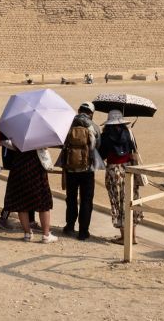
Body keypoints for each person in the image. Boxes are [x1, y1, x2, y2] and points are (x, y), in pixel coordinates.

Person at [99, 109, 143, 244]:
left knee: (118, 202)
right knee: (131, 199)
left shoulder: (105, 136)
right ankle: (133, 237)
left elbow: (102, 155)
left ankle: (124, 237)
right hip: (129, 169)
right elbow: (134, 149)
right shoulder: (128, 132)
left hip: (113, 171)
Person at [1, 139, 57, 243]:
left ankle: (27, 234)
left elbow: (7, 143)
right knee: (43, 203)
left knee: (22, 202)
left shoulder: (18, 134)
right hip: (36, 168)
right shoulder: (40, 136)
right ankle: (46, 234)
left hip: (18, 168)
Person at [60, 102, 101, 240]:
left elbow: (62, 143)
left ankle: (69, 226)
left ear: (78, 110)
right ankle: (83, 231)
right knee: (86, 200)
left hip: (70, 168)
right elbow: (98, 146)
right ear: (91, 113)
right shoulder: (93, 126)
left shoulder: (67, 124)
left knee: (71, 198)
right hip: (87, 169)